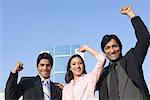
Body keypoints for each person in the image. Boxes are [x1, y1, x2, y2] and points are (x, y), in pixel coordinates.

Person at [96, 5, 150, 100]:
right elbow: (86, 84)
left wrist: (131, 14)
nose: (112, 51)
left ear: (120, 47)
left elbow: (144, 38)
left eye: (114, 46)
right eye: (107, 48)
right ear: (104, 51)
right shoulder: (103, 73)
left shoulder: (132, 59)